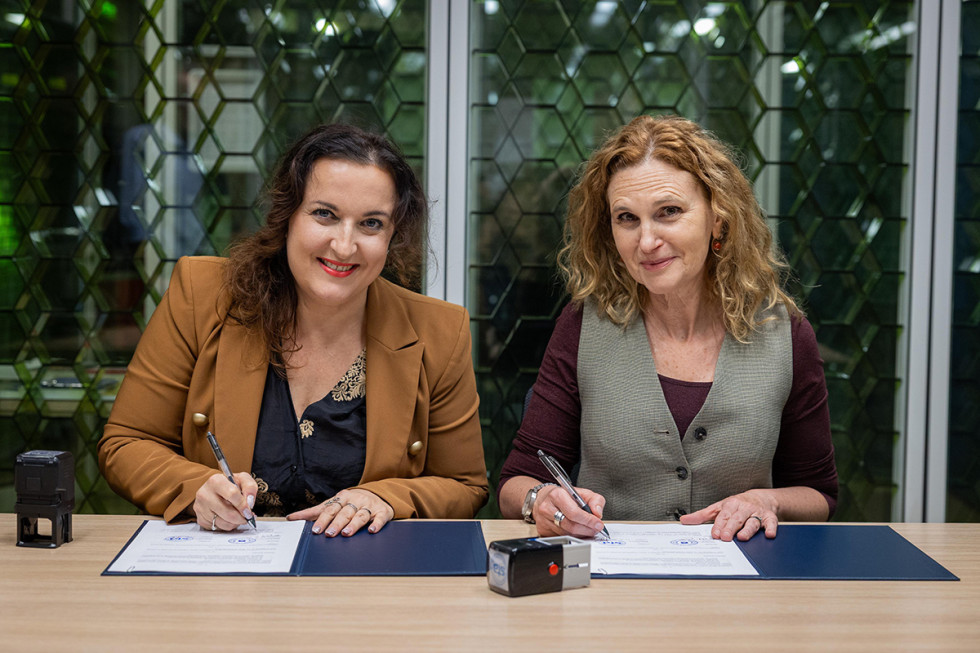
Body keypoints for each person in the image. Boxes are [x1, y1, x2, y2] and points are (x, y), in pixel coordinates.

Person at [99, 123, 488, 536]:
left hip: (362, 584)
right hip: (223, 583)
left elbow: (465, 485)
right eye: (325, 214)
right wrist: (196, 489)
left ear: (393, 236)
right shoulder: (201, 295)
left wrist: (388, 498)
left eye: (371, 224)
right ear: (287, 216)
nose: (344, 245)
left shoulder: (440, 332)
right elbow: (126, 443)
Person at [498, 114, 837, 542]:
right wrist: (541, 499)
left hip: (743, 594)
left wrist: (769, 501)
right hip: (611, 590)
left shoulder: (785, 335)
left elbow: (820, 494)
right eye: (627, 218)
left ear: (719, 217)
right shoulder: (582, 327)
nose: (646, 241)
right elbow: (516, 482)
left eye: (669, 212)